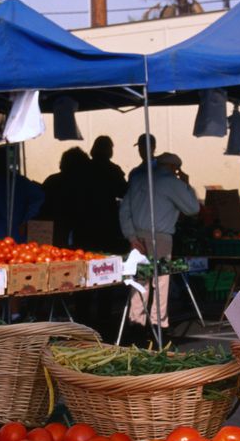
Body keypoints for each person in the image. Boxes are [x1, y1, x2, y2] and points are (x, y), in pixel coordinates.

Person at [120, 151, 200, 331]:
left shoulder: (138, 180)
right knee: (161, 280)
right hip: (161, 237)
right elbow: (193, 208)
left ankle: (136, 319)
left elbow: (124, 212)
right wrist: (186, 185)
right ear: (174, 168)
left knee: (140, 278)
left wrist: (132, 237)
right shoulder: (172, 183)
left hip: (138, 235)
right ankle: (158, 322)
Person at [75, 136, 128, 253]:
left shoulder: (83, 168)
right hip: (107, 218)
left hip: (85, 218)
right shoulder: (113, 169)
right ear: (110, 151)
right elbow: (124, 191)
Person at [39, 147, 90, 247]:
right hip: (74, 232)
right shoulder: (83, 184)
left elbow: (42, 206)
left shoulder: (51, 180)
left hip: (52, 231)